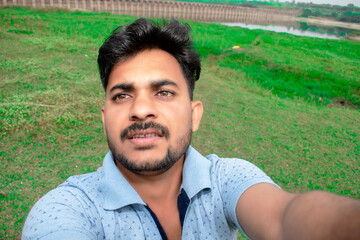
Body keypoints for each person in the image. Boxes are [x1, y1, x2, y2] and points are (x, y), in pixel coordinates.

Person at [22, 18, 360, 240]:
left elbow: (284, 217)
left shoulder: (226, 179)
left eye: (164, 92)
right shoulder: (67, 208)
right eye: (122, 95)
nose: (140, 110)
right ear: (104, 117)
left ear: (195, 114)